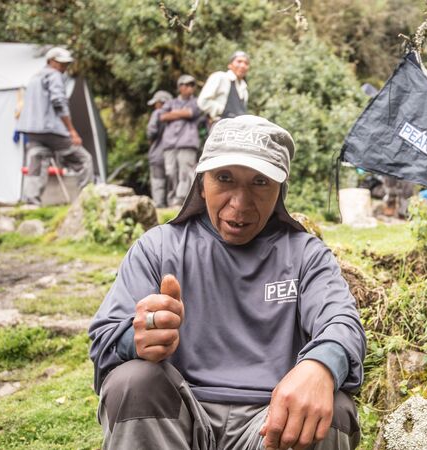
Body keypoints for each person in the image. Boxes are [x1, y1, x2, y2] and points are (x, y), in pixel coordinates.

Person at [89, 115, 366, 450]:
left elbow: (342, 324)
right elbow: (104, 341)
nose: (240, 203)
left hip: (271, 423)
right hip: (176, 415)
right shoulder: (158, 248)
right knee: (133, 381)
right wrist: (137, 339)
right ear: (201, 183)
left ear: (280, 190)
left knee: (332, 408)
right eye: (224, 178)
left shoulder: (306, 255)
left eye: (260, 182)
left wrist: (320, 366)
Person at [16, 46, 93, 204]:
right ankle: (87, 200)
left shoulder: (34, 78)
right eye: (61, 63)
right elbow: (59, 102)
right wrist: (71, 130)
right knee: (83, 159)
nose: (64, 67)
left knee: (36, 163)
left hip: (32, 130)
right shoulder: (54, 75)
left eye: (66, 64)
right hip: (51, 130)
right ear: (51, 61)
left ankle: (31, 202)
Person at [158, 74, 202, 207]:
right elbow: (162, 116)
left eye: (192, 85)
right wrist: (182, 113)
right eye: (186, 85)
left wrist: (173, 113)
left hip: (188, 143)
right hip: (170, 144)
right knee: (170, 172)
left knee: (185, 172)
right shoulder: (171, 102)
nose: (190, 88)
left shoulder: (197, 102)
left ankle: (182, 200)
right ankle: (171, 200)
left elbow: (191, 113)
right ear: (180, 87)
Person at [198, 51, 251, 124]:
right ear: (230, 65)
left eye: (246, 63)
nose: (243, 65)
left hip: (238, 128)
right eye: (239, 61)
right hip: (220, 126)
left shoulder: (244, 89)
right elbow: (203, 102)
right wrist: (222, 111)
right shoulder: (220, 77)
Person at [146, 90, 174, 207]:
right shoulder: (176, 115)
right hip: (173, 154)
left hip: (157, 154)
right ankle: (171, 207)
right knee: (171, 182)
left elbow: (151, 132)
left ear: (161, 102)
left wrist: (150, 141)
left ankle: (159, 205)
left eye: (156, 103)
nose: (155, 106)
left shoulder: (157, 113)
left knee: (158, 181)